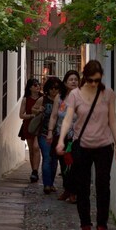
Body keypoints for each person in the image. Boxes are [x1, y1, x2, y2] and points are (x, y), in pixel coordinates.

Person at [56, 60, 116, 230]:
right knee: (82, 188)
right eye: (91, 80)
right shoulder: (75, 95)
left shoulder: (107, 94)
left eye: (97, 80)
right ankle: (85, 226)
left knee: (103, 187)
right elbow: (68, 119)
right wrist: (61, 140)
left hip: (104, 146)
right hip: (83, 146)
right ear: (85, 77)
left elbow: (112, 120)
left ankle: (102, 227)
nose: (94, 84)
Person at [50, 69, 79, 203]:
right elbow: (54, 116)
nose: (73, 82)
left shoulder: (81, 97)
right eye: (71, 79)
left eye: (76, 79)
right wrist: (50, 131)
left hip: (75, 137)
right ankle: (67, 189)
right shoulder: (59, 97)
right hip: (61, 135)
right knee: (63, 164)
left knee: (74, 164)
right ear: (65, 82)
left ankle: (73, 192)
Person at [36, 77, 64, 194]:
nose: (54, 90)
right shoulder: (42, 99)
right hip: (44, 133)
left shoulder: (62, 100)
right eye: (52, 88)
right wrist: (38, 110)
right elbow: (33, 110)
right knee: (47, 158)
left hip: (57, 134)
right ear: (48, 88)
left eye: (56, 88)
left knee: (54, 160)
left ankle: (51, 183)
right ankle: (47, 184)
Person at [18, 78, 43, 183]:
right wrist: (31, 115)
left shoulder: (42, 98)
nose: (37, 86)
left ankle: (35, 171)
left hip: (40, 126)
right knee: (32, 150)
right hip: (29, 126)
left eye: (38, 84)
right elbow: (21, 115)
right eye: (35, 85)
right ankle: (34, 171)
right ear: (30, 87)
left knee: (36, 147)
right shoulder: (26, 99)